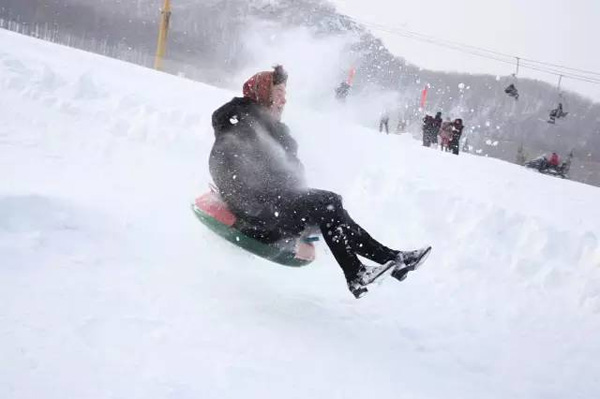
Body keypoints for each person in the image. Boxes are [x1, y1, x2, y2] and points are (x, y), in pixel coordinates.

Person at [209, 65, 429, 298]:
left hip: (272, 203)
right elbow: (228, 153)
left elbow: (291, 174)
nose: (284, 100)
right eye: (279, 94)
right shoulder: (242, 124)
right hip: (257, 215)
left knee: (332, 206)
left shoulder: (275, 132)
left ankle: (393, 260)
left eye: (285, 94)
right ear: (263, 95)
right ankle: (356, 274)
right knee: (327, 202)